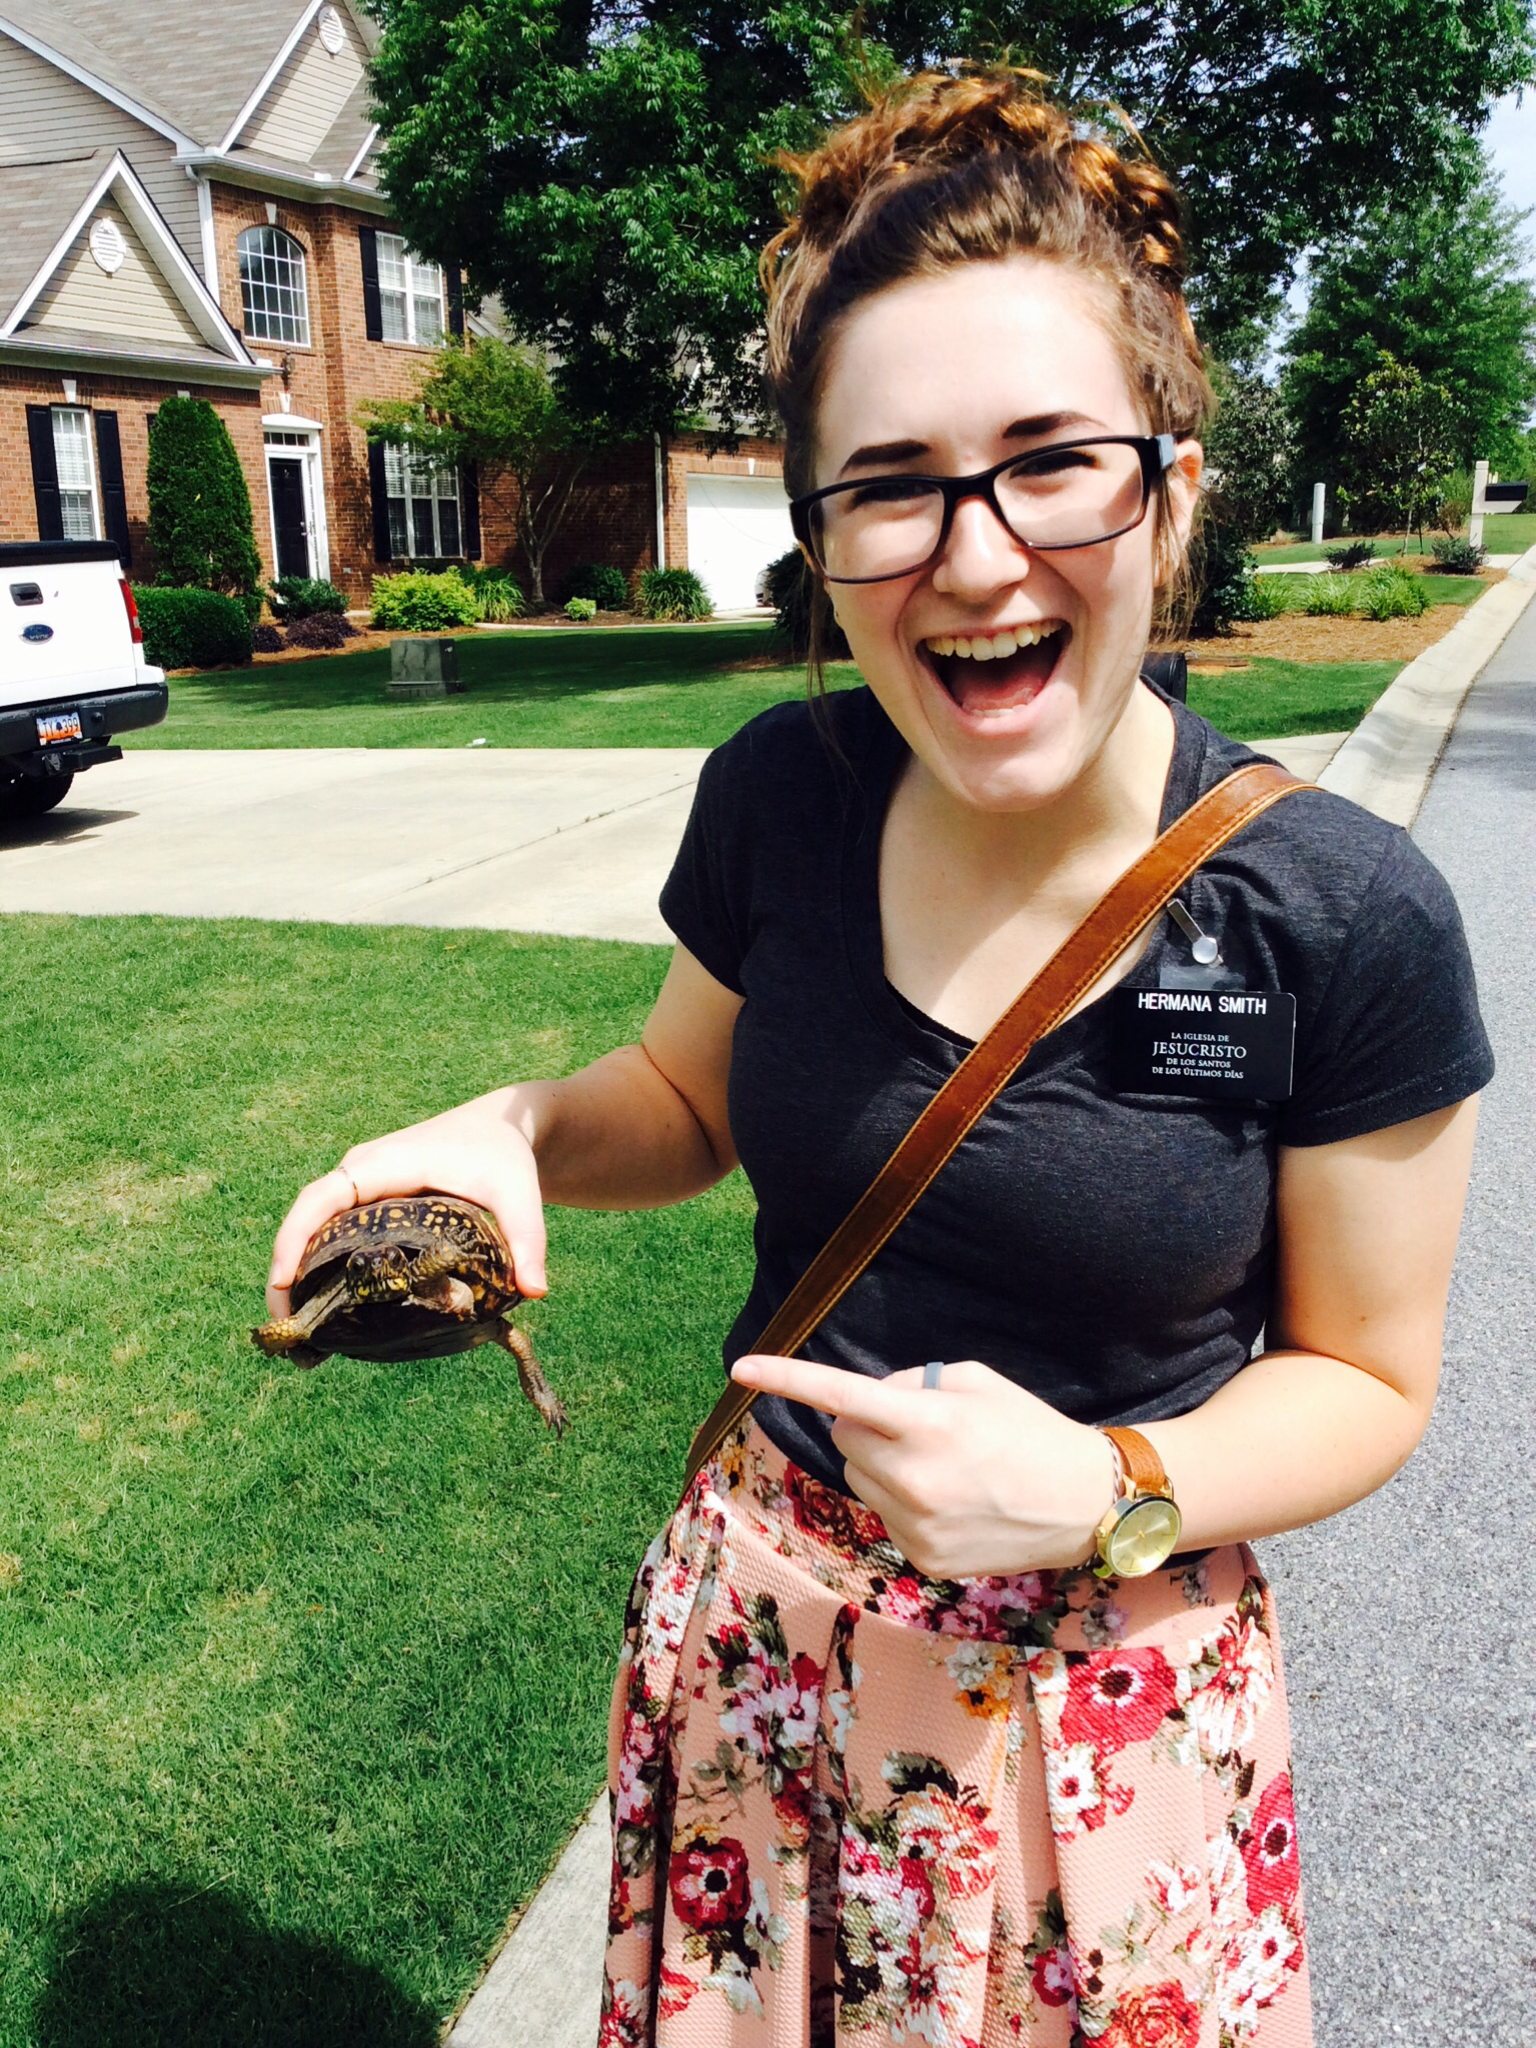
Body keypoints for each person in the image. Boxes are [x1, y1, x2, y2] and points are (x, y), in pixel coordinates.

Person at [267, 69, 1493, 2048]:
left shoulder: (1336, 919)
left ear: (1170, 488)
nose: (979, 554)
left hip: (1106, 1714)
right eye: (894, 479)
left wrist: (1106, 1482)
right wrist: (503, 1130)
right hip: (763, 1663)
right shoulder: (785, 798)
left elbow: (1367, 1377)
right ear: (821, 532)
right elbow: (678, 1104)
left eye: (1051, 460)